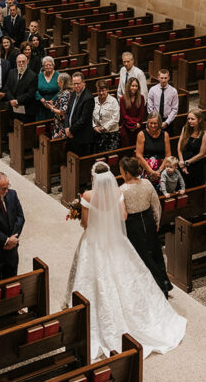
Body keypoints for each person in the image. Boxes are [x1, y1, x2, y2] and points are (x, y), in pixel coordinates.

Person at [64, 162, 185, 359]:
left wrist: (93, 221)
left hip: (95, 241)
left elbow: (86, 223)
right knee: (128, 275)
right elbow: (123, 215)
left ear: (94, 177)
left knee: (94, 276)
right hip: (116, 240)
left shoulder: (87, 196)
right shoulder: (117, 193)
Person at [119, 156, 173, 297]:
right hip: (148, 220)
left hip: (132, 224)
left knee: (141, 256)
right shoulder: (147, 183)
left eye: (121, 172)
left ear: (127, 173)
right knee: (155, 253)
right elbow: (156, 205)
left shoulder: (122, 189)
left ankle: (155, 286)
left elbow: (120, 214)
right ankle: (164, 283)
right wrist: (156, 222)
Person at [63, 72, 95, 156]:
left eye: (78, 84)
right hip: (70, 134)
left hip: (81, 137)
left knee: (78, 163)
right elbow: (67, 112)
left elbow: (83, 120)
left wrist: (71, 130)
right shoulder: (73, 93)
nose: (76, 86)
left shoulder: (88, 98)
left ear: (83, 82)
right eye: (74, 84)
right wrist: (66, 127)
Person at [135, 112, 170, 188]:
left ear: (159, 123)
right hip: (146, 167)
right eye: (151, 123)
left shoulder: (165, 134)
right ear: (147, 122)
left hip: (161, 168)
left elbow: (168, 155)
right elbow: (139, 156)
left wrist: (159, 171)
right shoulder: (141, 134)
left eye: (155, 123)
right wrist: (151, 171)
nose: (153, 126)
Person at [177, 109, 206, 188]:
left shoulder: (205, 134)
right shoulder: (185, 128)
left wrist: (187, 163)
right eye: (188, 119)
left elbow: (202, 154)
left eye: (192, 119)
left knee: (194, 188)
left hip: (195, 164)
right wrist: (181, 161)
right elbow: (179, 146)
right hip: (182, 163)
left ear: (199, 120)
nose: (190, 121)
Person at [5, 53, 38, 118]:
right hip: (12, 107)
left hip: (26, 109)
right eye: (19, 62)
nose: (21, 63)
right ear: (16, 62)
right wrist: (12, 100)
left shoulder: (33, 75)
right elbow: (6, 88)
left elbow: (31, 93)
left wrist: (17, 101)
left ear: (27, 62)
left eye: (23, 61)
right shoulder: (11, 72)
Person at [119, 77, 146, 148]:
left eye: (136, 86)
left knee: (138, 148)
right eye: (132, 86)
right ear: (129, 86)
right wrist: (133, 124)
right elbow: (124, 115)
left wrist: (136, 125)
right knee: (127, 149)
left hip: (138, 127)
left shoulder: (141, 98)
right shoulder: (122, 99)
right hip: (126, 127)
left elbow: (141, 114)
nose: (134, 88)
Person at [36, 55, 60, 122]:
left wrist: (52, 100)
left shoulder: (59, 75)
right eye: (46, 65)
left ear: (53, 65)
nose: (48, 67)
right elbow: (35, 90)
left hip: (55, 104)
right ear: (43, 66)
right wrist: (42, 99)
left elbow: (61, 90)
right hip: (41, 105)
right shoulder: (39, 76)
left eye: (50, 65)